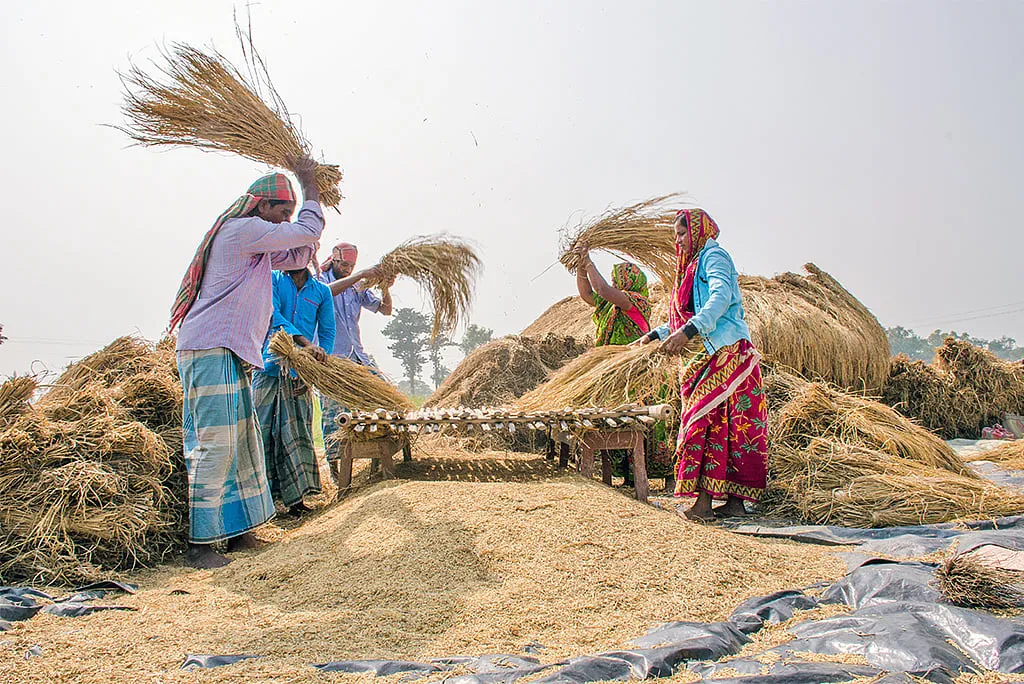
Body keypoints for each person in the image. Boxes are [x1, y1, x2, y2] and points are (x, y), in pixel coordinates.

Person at [172, 158, 323, 569]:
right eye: (282, 213)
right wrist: (310, 186)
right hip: (210, 347)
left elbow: (297, 254)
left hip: (231, 351)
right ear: (261, 207)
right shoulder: (241, 231)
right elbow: (307, 233)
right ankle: (200, 545)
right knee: (215, 443)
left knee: (240, 443)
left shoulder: (256, 244)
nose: (283, 222)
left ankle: (238, 535)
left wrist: (305, 226)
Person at [634, 209, 767, 521]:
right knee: (728, 427)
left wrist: (689, 331)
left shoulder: (714, 257)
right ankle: (732, 504)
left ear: (697, 231)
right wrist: (655, 335)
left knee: (707, 423)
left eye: (681, 234)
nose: (678, 241)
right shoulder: (690, 268)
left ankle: (704, 505)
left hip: (725, 353)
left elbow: (720, 298)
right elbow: (682, 316)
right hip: (704, 355)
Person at [252, 266, 336, 517]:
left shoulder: (321, 291)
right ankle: (262, 503)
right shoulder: (273, 280)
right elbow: (273, 314)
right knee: (262, 432)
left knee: (296, 432)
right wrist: (306, 344)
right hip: (268, 366)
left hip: (300, 375)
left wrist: (314, 367)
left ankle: (296, 500)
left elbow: (328, 332)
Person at [316, 243, 393, 461]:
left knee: (383, 396)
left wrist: (385, 287)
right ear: (334, 260)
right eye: (344, 265)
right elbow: (325, 294)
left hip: (358, 356)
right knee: (334, 413)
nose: (347, 269)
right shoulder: (321, 281)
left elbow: (385, 310)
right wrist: (359, 275)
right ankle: (336, 463)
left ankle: (379, 455)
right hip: (332, 359)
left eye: (352, 266)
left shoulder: (358, 286)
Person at [574, 246, 652, 347]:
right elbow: (587, 294)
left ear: (628, 280)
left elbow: (602, 289)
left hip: (627, 358)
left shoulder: (637, 301)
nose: (614, 283)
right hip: (610, 357)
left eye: (617, 279)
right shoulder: (610, 303)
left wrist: (588, 262)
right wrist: (580, 265)